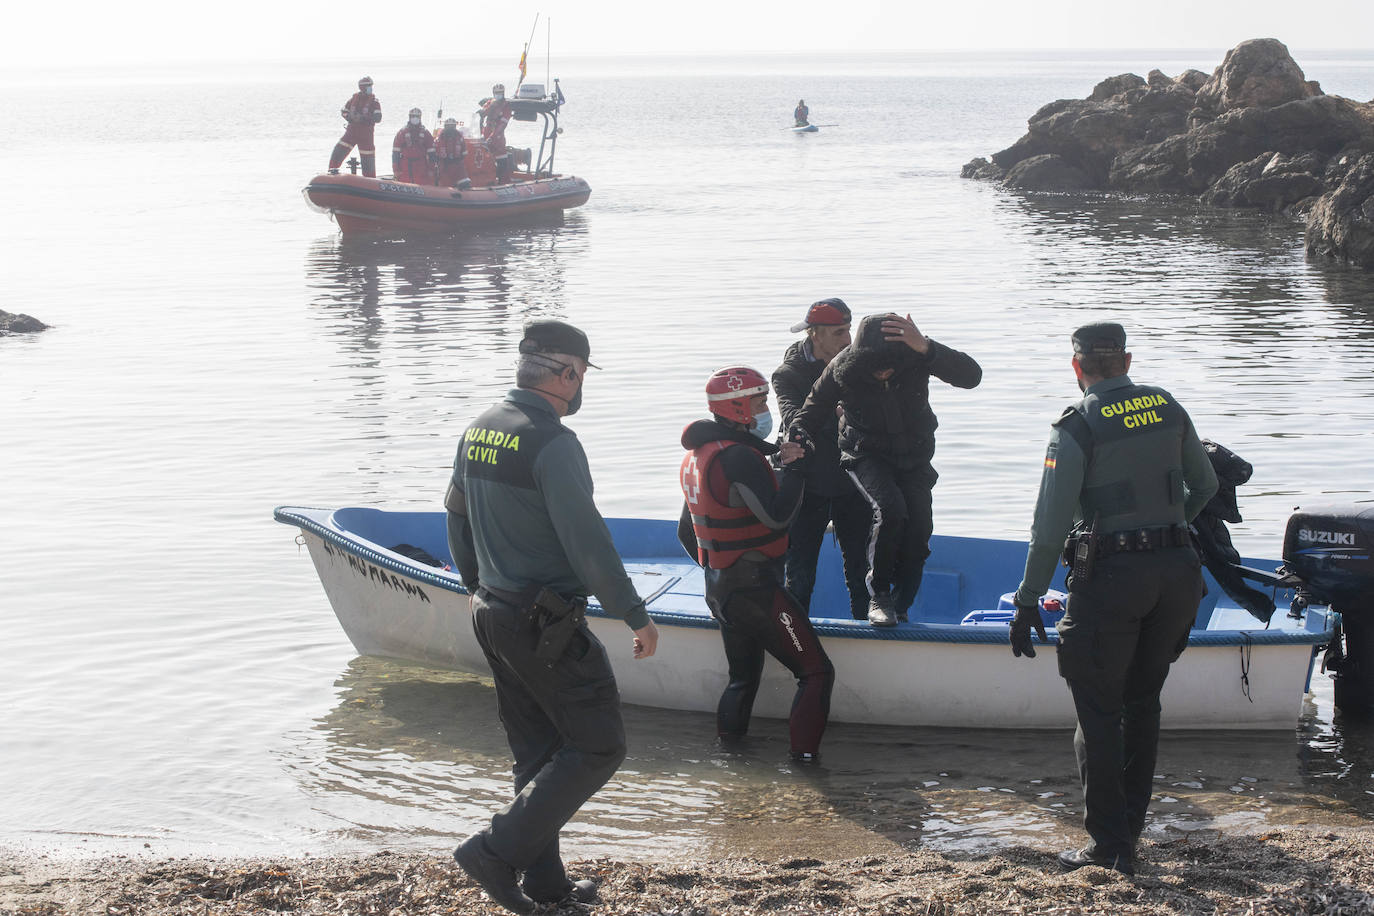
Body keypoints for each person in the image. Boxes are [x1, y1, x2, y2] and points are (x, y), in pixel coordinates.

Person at [446, 320, 661, 914]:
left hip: (493, 611)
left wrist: (474, 584)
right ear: (567, 373)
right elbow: (587, 541)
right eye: (582, 374)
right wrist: (634, 614)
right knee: (598, 745)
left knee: (537, 752)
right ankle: (493, 852)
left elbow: (456, 514)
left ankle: (545, 885)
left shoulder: (481, 426)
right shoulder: (553, 443)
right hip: (544, 624)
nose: (582, 384)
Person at [1008, 321, 1218, 877]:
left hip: (1112, 581)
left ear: (1077, 367)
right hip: (1177, 575)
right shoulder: (1167, 406)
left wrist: (1028, 599)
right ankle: (1130, 832)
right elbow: (1206, 485)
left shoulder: (1077, 425)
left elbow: (1049, 526)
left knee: (1098, 711)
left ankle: (1108, 847)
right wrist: (1168, 528)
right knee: (1142, 702)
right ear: (1126, 361)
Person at [678, 367, 835, 764]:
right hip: (755, 590)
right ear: (739, 408)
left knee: (742, 679)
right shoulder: (738, 457)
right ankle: (806, 767)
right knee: (816, 673)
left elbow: (686, 532)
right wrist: (796, 469)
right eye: (760, 401)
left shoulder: (699, 455)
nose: (767, 409)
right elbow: (778, 518)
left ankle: (731, 760)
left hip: (720, 590)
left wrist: (720, 567)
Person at [788, 312, 982, 627]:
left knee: (919, 530)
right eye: (874, 367)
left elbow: (972, 376)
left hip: (914, 457)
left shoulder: (917, 356)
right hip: (865, 454)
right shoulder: (842, 367)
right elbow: (809, 413)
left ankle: (901, 604)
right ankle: (879, 595)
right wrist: (796, 440)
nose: (882, 372)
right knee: (890, 511)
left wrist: (928, 347)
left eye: (889, 366)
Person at [772, 298, 870, 620]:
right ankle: (795, 637)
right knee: (800, 576)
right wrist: (840, 416)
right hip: (808, 484)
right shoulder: (788, 374)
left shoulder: (857, 363)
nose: (848, 339)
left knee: (862, 572)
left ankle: (869, 635)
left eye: (849, 330)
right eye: (839, 332)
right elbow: (792, 418)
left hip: (853, 479)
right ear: (815, 333)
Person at [329, 76, 382, 177]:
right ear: (362, 87)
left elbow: (378, 118)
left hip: (366, 136)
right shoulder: (353, 99)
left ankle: (369, 180)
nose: (371, 88)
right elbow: (344, 111)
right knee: (338, 152)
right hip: (351, 133)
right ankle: (331, 174)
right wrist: (350, 117)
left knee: (368, 161)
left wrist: (363, 118)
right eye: (369, 86)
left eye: (371, 86)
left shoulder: (374, 102)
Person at [392, 108, 435, 184]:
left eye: (417, 116)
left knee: (422, 185)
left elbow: (432, 154)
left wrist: (431, 169)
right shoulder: (402, 133)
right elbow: (395, 154)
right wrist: (396, 170)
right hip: (405, 166)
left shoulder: (426, 133)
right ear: (409, 117)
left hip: (421, 167)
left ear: (420, 117)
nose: (415, 118)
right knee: (404, 186)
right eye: (413, 116)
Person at [433, 117, 468, 187]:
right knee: (445, 184)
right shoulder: (440, 138)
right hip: (444, 165)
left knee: (463, 182)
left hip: (457, 164)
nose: (450, 129)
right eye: (449, 126)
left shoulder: (459, 137)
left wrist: (459, 160)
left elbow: (464, 152)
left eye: (452, 126)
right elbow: (435, 152)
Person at [481, 83, 514, 155]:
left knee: (500, 154)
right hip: (486, 131)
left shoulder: (506, 106)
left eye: (500, 92)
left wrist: (491, 137)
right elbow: (482, 113)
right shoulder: (489, 102)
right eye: (496, 92)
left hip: (498, 137)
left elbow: (502, 125)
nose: (498, 94)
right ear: (493, 93)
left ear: (503, 93)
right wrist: (491, 107)